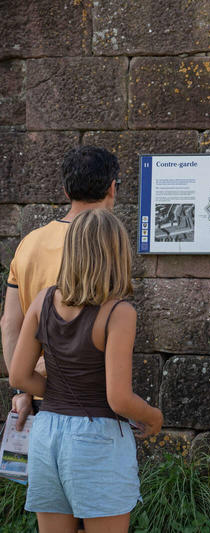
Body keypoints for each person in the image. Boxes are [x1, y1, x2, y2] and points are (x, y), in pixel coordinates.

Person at [9, 209, 163, 533]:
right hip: (97, 438)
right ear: (117, 255)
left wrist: (59, 392)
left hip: (46, 432)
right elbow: (119, 399)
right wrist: (153, 416)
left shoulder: (42, 301)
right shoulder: (119, 312)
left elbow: (19, 377)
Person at [1, 145, 120, 430]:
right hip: (84, 401)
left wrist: (24, 389)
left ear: (66, 192)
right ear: (113, 189)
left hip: (37, 394)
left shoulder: (29, 242)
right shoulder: (104, 245)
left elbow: (9, 324)